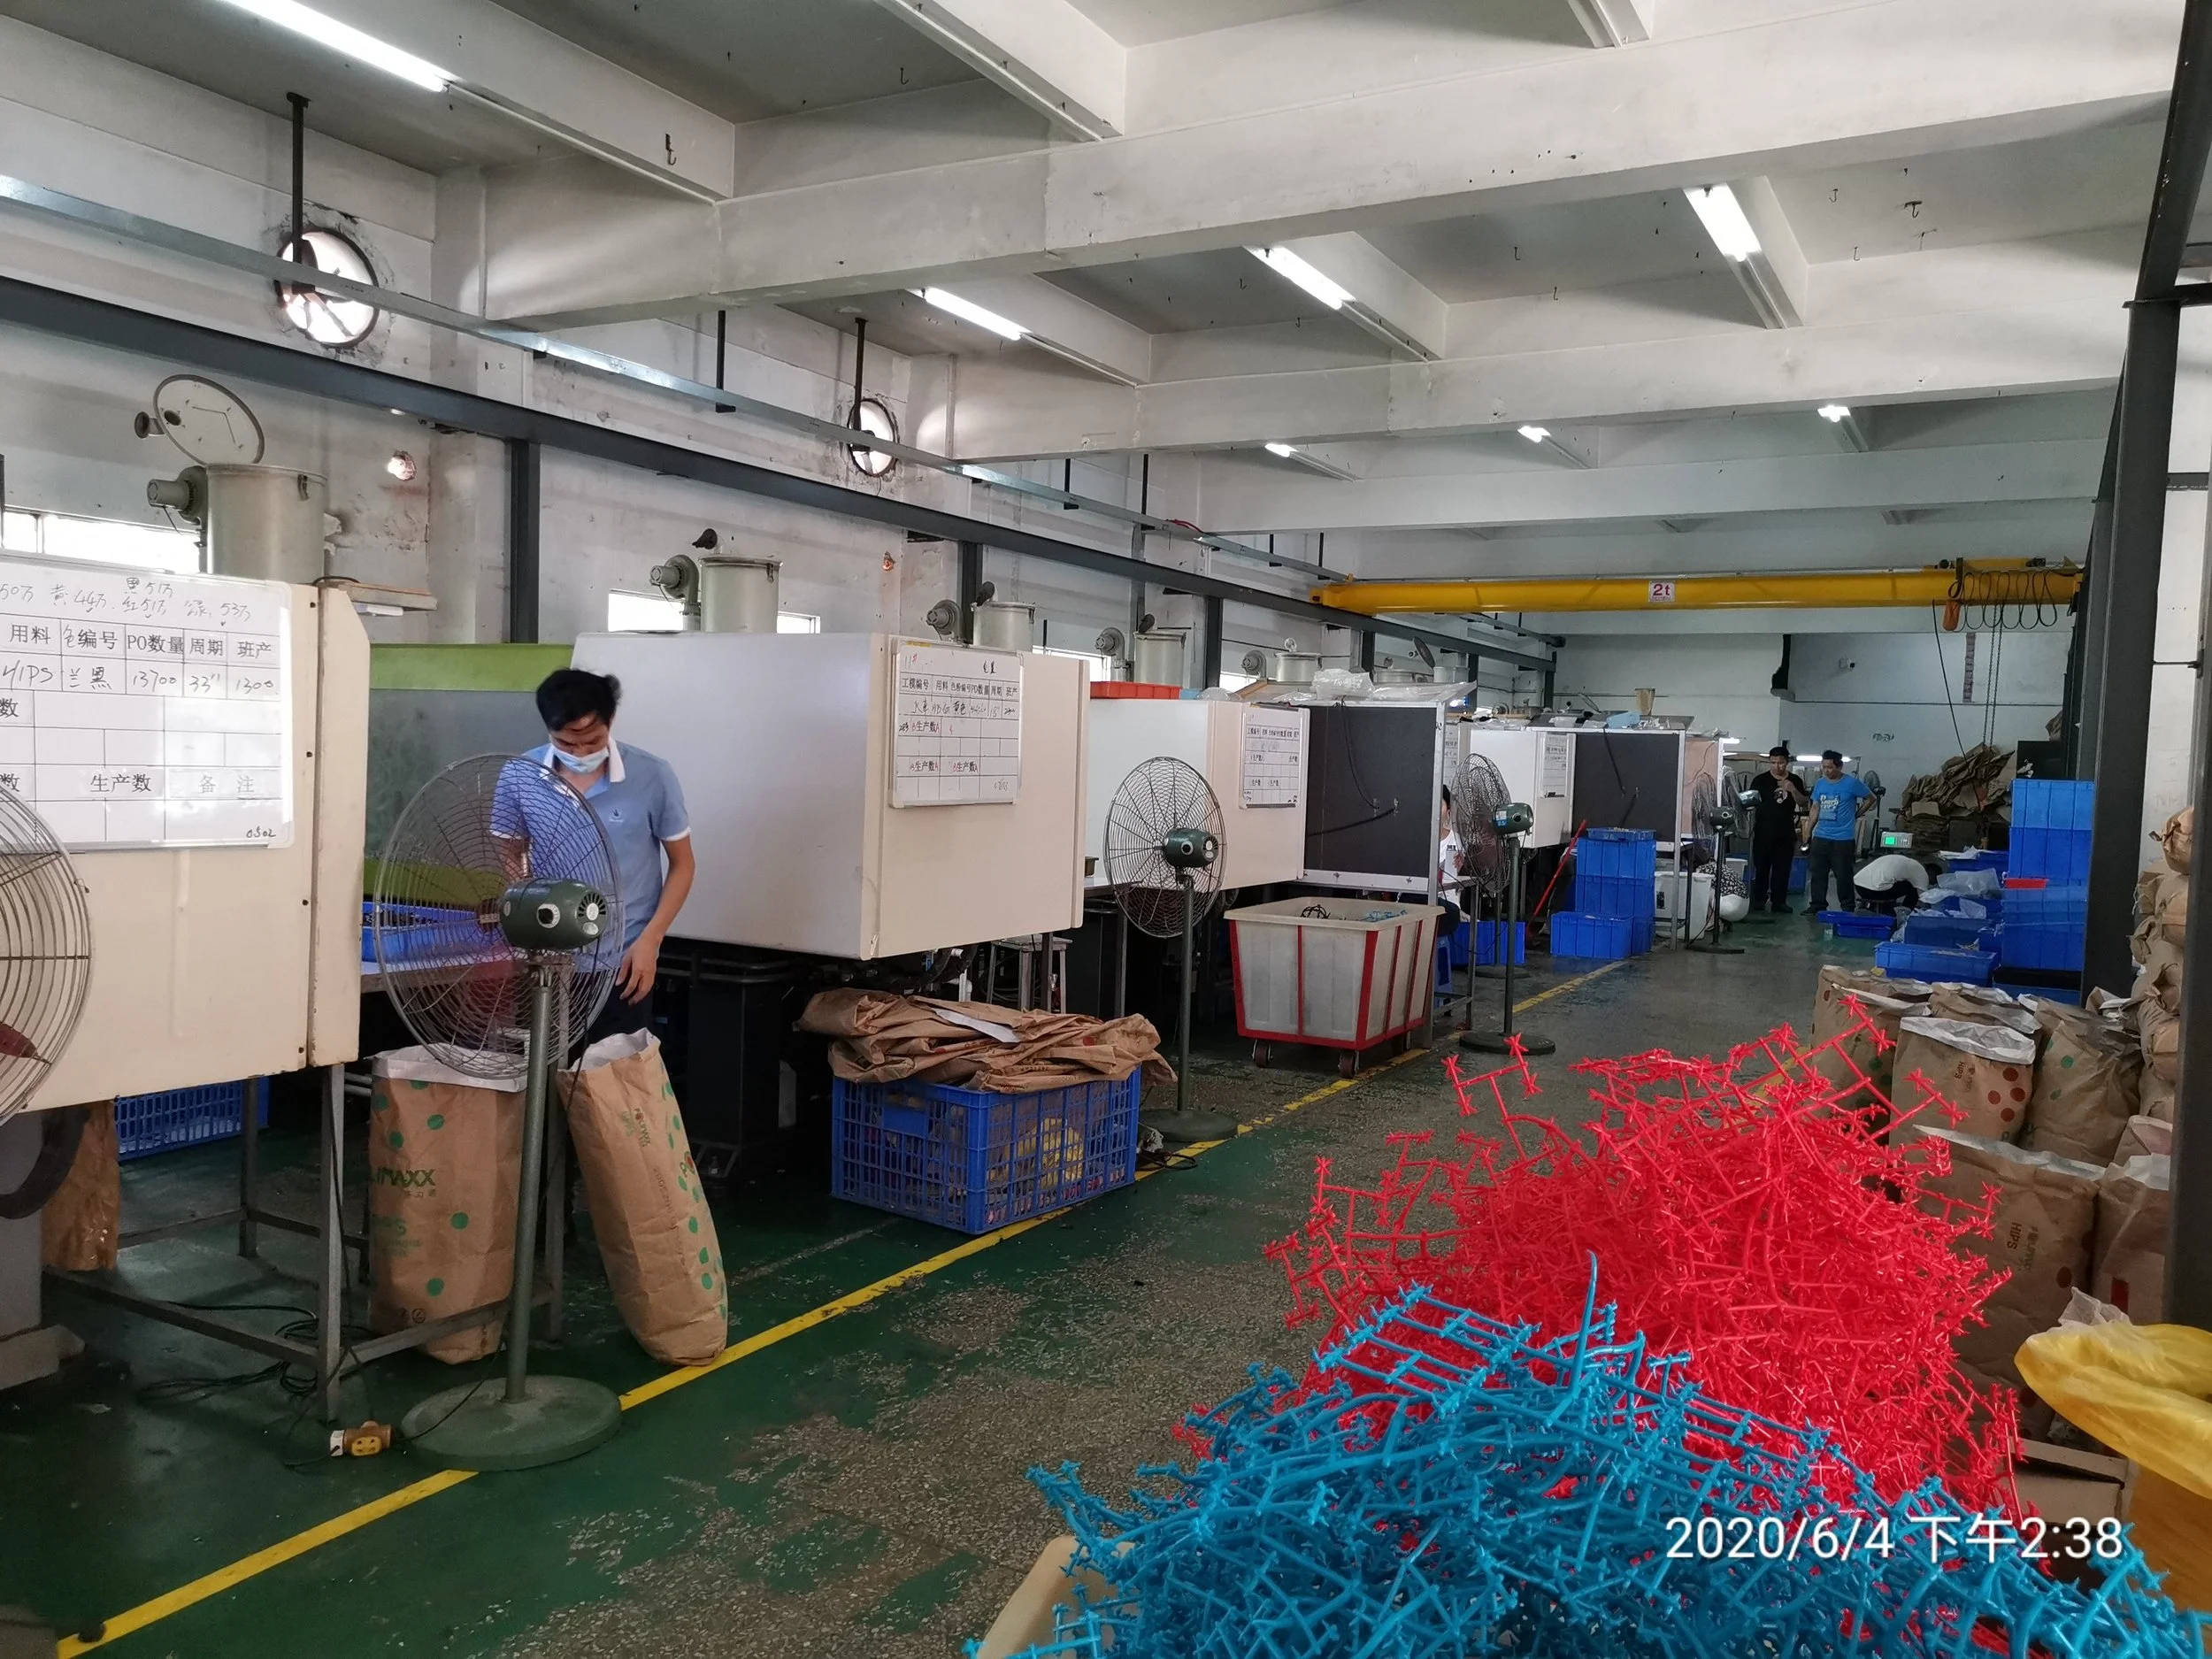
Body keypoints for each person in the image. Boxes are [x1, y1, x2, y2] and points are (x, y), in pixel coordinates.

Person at [493, 669, 695, 1044]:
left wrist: (651, 941)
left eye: (592, 741)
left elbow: (683, 865)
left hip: (624, 961)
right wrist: (524, 912)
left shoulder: (652, 775)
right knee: (546, 1072)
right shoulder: (520, 774)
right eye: (567, 744)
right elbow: (511, 852)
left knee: (615, 1084)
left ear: (611, 721)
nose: (581, 753)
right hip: (548, 961)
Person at [1803, 749, 1875, 914]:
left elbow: (1871, 798)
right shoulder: (1820, 784)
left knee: (1843, 875)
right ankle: (1817, 905)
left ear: (1840, 766)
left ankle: (1847, 906)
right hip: (1821, 836)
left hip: (1843, 838)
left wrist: (1857, 814)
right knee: (1818, 873)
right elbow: (1815, 807)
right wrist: (1808, 833)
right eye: (1824, 767)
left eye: (1829, 767)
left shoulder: (1852, 783)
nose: (1826, 770)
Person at [1746, 746, 1808, 914]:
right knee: (1761, 868)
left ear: (1786, 762)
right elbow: (1749, 802)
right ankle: (1758, 900)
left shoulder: (1795, 780)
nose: (1777, 766)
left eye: (1780, 763)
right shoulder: (1760, 780)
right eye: (1773, 762)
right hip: (1763, 831)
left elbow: (1803, 803)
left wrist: (1792, 789)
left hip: (1785, 833)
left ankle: (1779, 902)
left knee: (1782, 870)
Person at [1853, 849, 1933, 918]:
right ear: (1931, 874)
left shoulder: (1904, 860)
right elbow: (1924, 897)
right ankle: (1905, 912)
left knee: (1895, 880)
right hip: (1876, 891)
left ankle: (1882, 907)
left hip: (1859, 886)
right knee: (1911, 887)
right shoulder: (1922, 873)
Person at [1437, 786, 1466, 929]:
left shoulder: (1456, 840)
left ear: (1448, 810)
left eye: (1439, 804)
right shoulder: (1414, 839)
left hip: (1446, 901)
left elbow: (1451, 876)